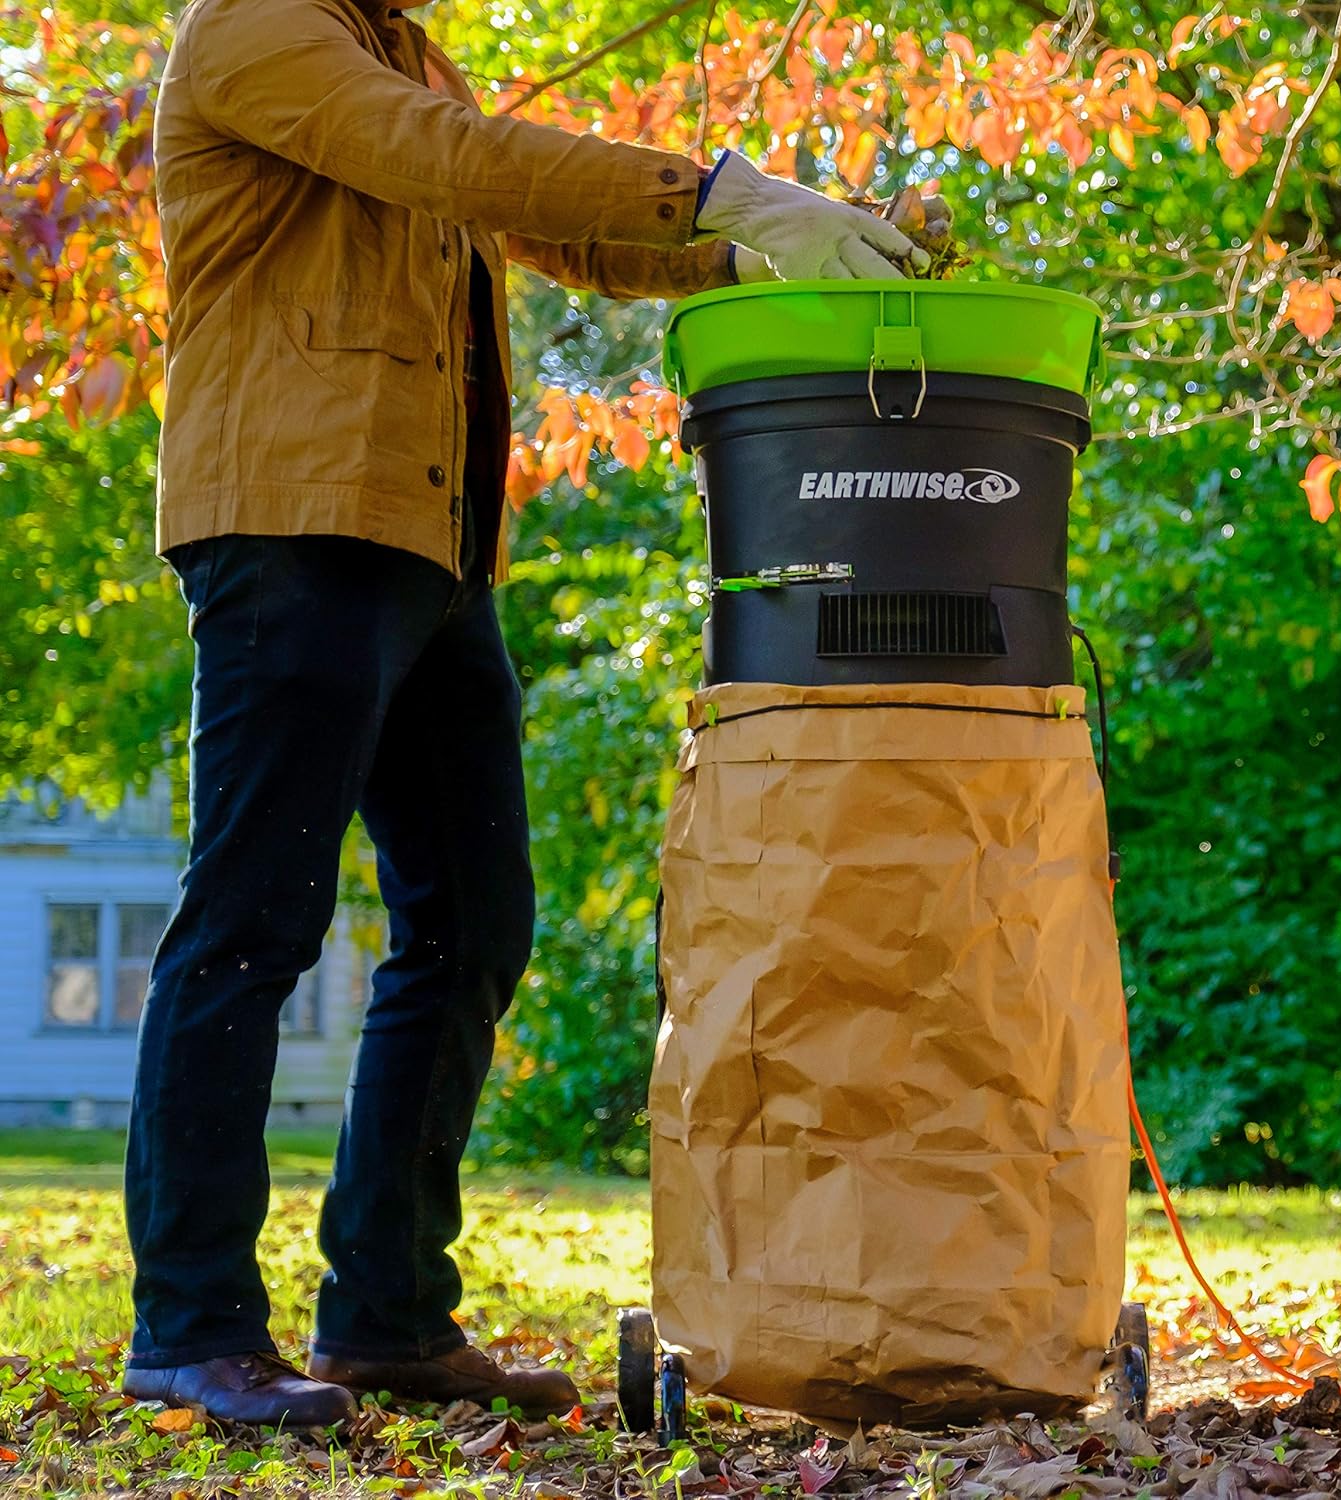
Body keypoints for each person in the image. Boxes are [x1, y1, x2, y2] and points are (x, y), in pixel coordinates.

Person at [121, 0, 923, 1431]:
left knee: (475, 923)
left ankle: (384, 1316)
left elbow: (558, 231)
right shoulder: (258, 26)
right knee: (252, 918)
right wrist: (723, 190)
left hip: (432, 546)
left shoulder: (404, 46)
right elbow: (458, 162)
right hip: (293, 524)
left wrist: (756, 243)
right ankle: (191, 1329)